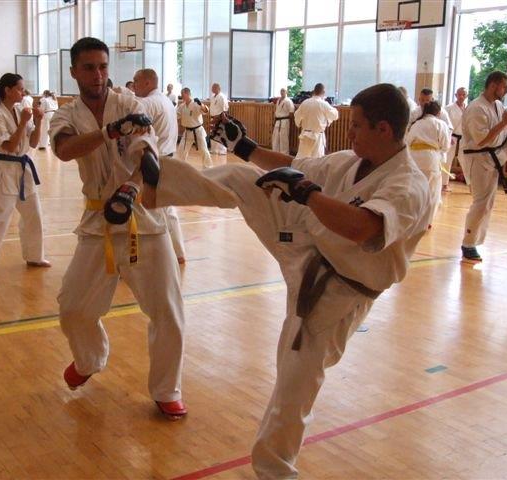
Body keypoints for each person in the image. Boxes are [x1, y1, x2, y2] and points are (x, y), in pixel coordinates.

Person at [127, 83, 431, 479]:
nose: (351, 132)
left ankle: (276, 470)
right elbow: (296, 166)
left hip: (339, 292)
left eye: (357, 125)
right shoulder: (350, 161)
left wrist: (307, 194)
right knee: (243, 180)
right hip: (310, 245)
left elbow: (361, 228)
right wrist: (246, 148)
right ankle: (158, 187)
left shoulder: (409, 185)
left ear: (384, 129)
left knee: (295, 383)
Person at [48, 37, 187, 420]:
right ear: (74, 71)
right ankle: (89, 359)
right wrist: (108, 132)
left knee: (168, 310)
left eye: (103, 66)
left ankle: (167, 389)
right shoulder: (66, 114)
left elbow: (146, 155)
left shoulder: (130, 104)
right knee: (73, 307)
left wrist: (132, 187)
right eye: (89, 67)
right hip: (99, 222)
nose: (98, 74)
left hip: (143, 217)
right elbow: (65, 150)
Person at [0, 73, 50, 284]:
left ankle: (34, 255)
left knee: (34, 214)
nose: (23, 92)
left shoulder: (20, 111)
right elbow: (10, 147)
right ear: (7, 90)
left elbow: (33, 143)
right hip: (3, 171)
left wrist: (38, 121)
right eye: (20, 89)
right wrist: (23, 123)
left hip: (24, 170)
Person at [460, 71, 507, 262]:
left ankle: (472, 242)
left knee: (487, 204)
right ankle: (468, 244)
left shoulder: (497, 105)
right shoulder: (477, 108)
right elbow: (482, 140)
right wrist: (504, 123)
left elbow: (502, 131)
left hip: (496, 152)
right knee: (482, 203)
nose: (506, 91)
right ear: (493, 85)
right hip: (480, 158)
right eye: (505, 87)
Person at [132, 68, 187, 264]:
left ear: (148, 82)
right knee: (167, 208)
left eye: (136, 81)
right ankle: (178, 252)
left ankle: (144, 256)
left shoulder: (149, 102)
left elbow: (130, 116)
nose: (134, 85)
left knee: (141, 209)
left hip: (154, 162)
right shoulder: (165, 100)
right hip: (166, 157)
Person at [407, 101, 450, 223]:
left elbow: (408, 141)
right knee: (432, 190)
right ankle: (427, 221)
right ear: (438, 112)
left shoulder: (417, 124)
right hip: (431, 158)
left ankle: (413, 218)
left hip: (414, 157)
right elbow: (445, 146)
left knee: (415, 188)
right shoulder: (441, 124)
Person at [293, 83, 338, 158]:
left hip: (305, 134)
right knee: (316, 160)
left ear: (314, 91)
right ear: (323, 92)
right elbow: (335, 115)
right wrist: (327, 119)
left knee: (301, 159)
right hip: (317, 136)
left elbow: (296, 115)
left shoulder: (305, 102)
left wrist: (299, 123)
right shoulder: (323, 104)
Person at [176, 87, 213, 168]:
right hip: (187, 132)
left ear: (188, 94)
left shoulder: (196, 104)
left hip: (198, 131)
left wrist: (201, 104)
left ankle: (208, 167)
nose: (182, 96)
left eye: (183, 94)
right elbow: (176, 115)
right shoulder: (182, 106)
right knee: (181, 150)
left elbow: (206, 111)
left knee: (204, 150)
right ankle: (180, 167)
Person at [443, 87, 467, 191]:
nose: (461, 96)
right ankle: (444, 184)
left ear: (466, 96)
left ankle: (470, 184)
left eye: (463, 94)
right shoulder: (448, 108)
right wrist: (448, 136)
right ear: (455, 95)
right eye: (459, 94)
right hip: (451, 137)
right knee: (447, 160)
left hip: (463, 138)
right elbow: (444, 123)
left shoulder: (468, 109)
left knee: (465, 161)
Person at [272, 88, 295, 154]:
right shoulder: (278, 100)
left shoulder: (288, 101)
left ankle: (284, 154)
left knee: (283, 139)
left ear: (286, 92)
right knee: (275, 138)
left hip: (285, 121)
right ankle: (275, 153)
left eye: (283, 91)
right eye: (281, 91)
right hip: (278, 121)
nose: (282, 92)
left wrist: (287, 119)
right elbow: (277, 112)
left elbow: (291, 112)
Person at [209, 83, 229, 155]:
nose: (212, 89)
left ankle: (222, 150)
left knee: (221, 133)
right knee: (213, 133)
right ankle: (214, 149)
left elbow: (225, 108)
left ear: (218, 88)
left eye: (214, 88)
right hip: (213, 116)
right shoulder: (212, 97)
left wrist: (222, 117)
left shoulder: (222, 96)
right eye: (212, 88)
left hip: (220, 117)